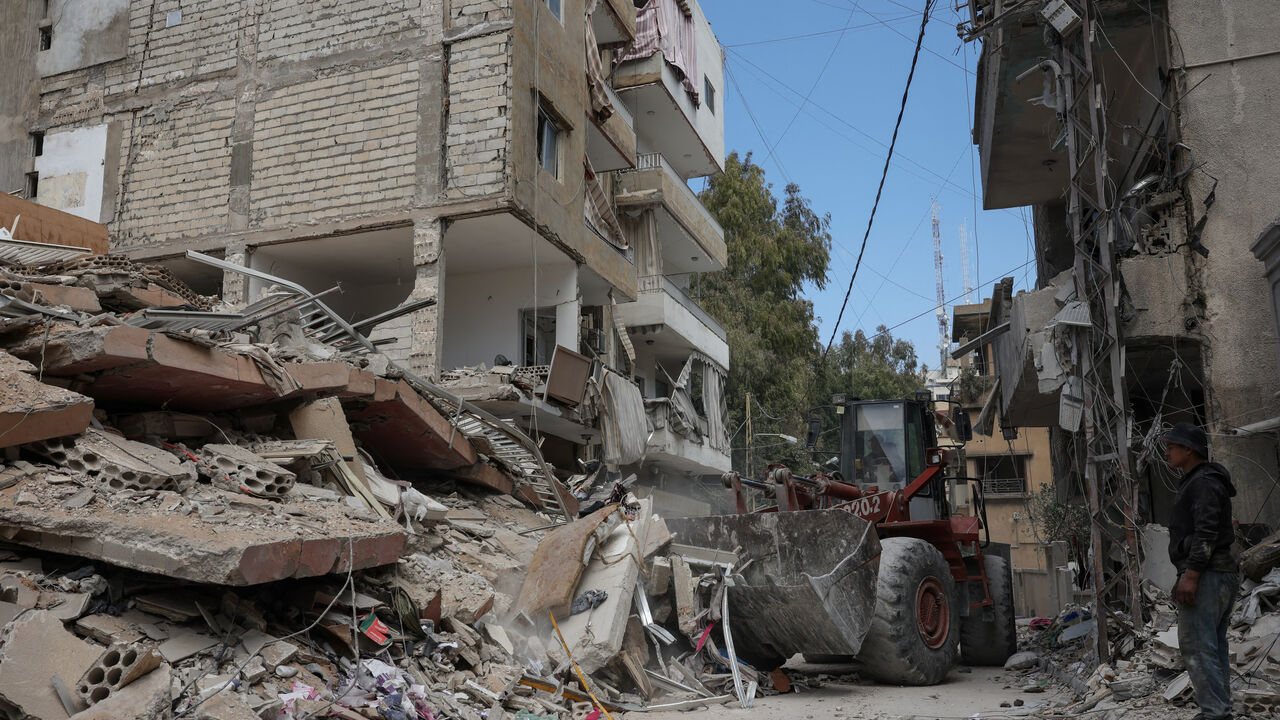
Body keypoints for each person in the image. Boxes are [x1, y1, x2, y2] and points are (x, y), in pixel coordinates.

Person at [1165, 421, 1237, 720]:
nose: (1167, 452)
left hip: (1208, 574)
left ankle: (1215, 713)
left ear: (1189, 449)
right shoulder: (1201, 480)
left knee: (1197, 646)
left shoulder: (1204, 481)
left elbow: (1206, 532)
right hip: (1216, 574)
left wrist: (1191, 576)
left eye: (1171, 447)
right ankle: (1220, 709)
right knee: (1213, 646)